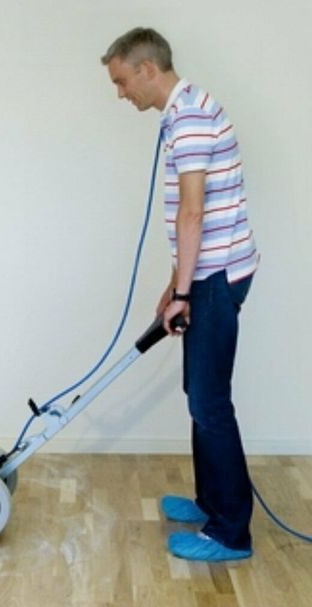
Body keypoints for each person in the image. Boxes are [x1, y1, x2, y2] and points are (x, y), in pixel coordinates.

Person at [101, 28, 260, 562]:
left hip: (216, 276)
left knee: (211, 401)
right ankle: (211, 499)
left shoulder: (189, 119)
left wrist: (185, 293)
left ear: (147, 68)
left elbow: (193, 212)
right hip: (210, 270)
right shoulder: (187, 110)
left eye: (123, 81)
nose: (122, 93)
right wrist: (174, 284)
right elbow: (192, 218)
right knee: (200, 393)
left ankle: (230, 532)